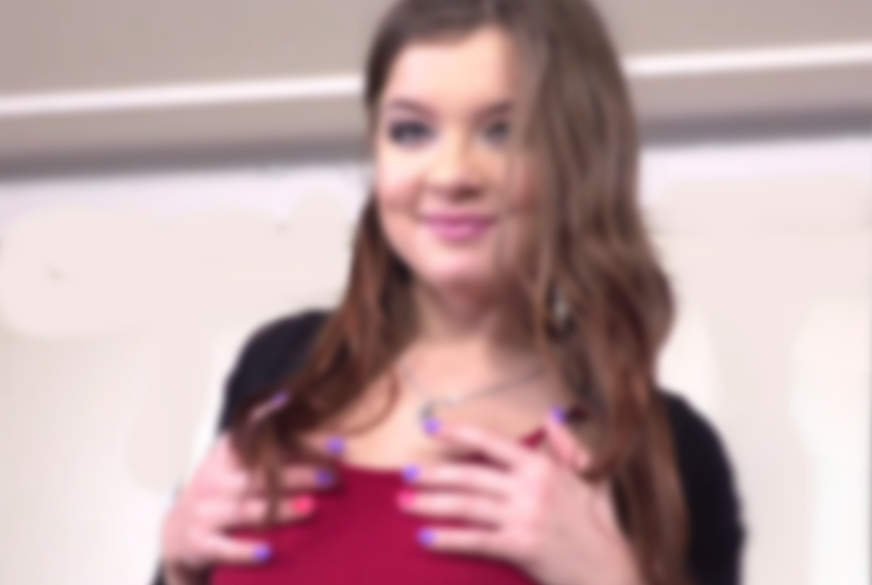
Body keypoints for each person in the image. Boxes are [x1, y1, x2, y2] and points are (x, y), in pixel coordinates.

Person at [156, 1, 744, 584]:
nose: (452, 174)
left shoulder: (665, 449)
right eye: (411, 131)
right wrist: (176, 565)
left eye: (501, 132)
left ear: (578, 156)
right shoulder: (282, 364)